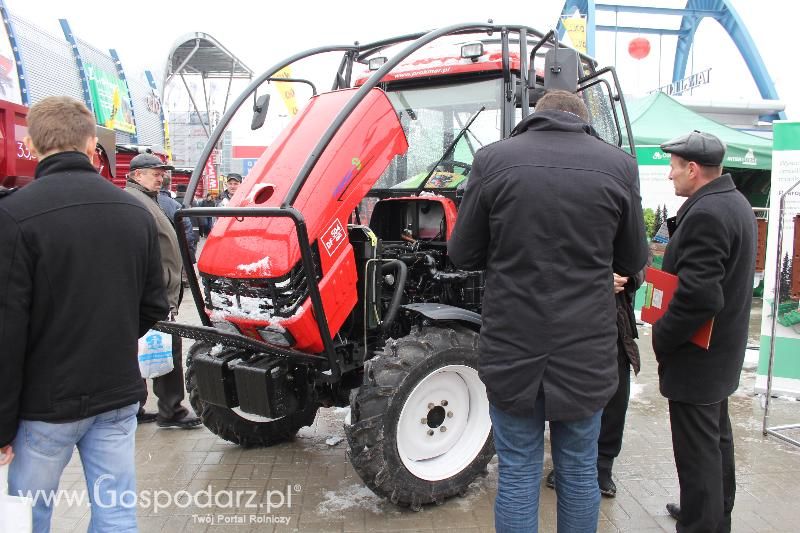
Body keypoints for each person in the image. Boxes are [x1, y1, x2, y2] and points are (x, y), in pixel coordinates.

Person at [448, 89, 648, 532]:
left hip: (513, 343)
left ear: (534, 117)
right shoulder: (618, 166)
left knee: (518, 472)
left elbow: (462, 253)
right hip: (586, 349)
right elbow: (634, 258)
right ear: (584, 120)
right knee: (579, 471)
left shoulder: (494, 160)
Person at [0, 96, 169, 530]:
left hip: (45, 405)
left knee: (29, 516)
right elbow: (154, 303)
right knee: (115, 513)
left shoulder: (13, 216)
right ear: (93, 144)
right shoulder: (135, 212)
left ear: (34, 145)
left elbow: (7, 328)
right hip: (116, 395)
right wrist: (108, 337)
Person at [653, 131, 756, 532]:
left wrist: (662, 336)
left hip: (700, 356)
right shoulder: (735, 202)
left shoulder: (707, 213)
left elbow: (700, 297)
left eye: (674, 167)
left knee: (697, 451)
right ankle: (711, 511)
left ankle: (702, 522)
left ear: (693, 169)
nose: (670, 176)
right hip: (722, 353)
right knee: (715, 443)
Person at [546, 269, 644, 498]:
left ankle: (602, 466)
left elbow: (641, 260)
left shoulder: (627, 233)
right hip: (571, 320)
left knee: (615, 397)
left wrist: (630, 278)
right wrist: (596, 281)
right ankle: (565, 464)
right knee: (569, 392)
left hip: (615, 321)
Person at [126, 153, 201, 429]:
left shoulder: (150, 200)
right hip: (152, 292)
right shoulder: (136, 201)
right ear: (136, 175)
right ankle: (171, 410)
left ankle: (141, 407)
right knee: (165, 347)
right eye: (155, 173)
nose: (161, 177)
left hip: (157, 289)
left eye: (162, 173)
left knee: (149, 348)